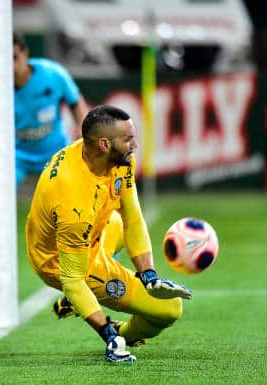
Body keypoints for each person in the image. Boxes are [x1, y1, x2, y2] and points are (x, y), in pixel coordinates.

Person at [25, 105, 193, 362]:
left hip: (94, 230)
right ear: (104, 144)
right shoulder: (73, 202)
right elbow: (72, 279)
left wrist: (149, 276)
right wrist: (107, 335)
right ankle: (121, 333)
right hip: (61, 260)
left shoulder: (115, 158)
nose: (135, 145)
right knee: (169, 309)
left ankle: (85, 300)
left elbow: (132, 218)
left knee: (117, 221)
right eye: (128, 139)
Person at [0, 33, 88, 300]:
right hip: (14, 154)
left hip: (55, 151)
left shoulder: (52, 74)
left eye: (13, 58)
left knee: (75, 207)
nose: (9, 65)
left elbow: (76, 103)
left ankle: (83, 272)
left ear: (24, 54)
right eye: (1, 60)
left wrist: (85, 140)